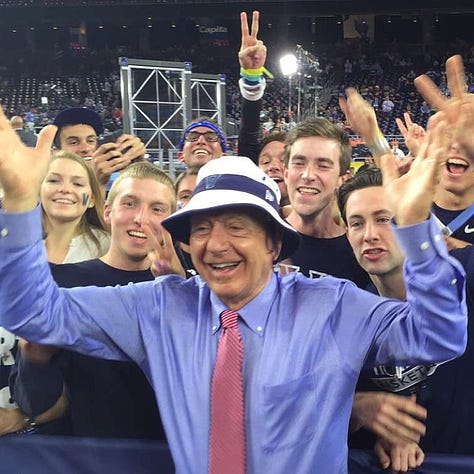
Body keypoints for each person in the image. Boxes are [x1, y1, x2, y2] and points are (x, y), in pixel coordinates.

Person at [0, 84, 467, 474]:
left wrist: (417, 228)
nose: (215, 244)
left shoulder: (334, 305)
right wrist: (19, 207)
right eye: (200, 228)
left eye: (236, 227)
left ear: (273, 244)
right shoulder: (159, 307)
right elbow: (35, 313)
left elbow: (439, 337)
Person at [10, 161, 178, 440]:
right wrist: (34, 357)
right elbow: (35, 403)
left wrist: (179, 293)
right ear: (108, 211)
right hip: (92, 458)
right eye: (130, 203)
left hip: (173, 460)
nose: (141, 219)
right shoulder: (60, 285)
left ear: (172, 220)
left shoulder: (189, 290)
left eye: (157, 209)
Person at [281, 117, 370, 286]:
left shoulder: (360, 254)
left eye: (323, 165)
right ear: (286, 173)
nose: (307, 175)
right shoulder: (262, 240)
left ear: (342, 179)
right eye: (299, 163)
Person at [53, 107, 146, 195]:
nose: (86, 148)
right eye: (73, 142)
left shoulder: (115, 180)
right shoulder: (47, 187)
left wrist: (140, 166)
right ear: (55, 152)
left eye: (90, 141)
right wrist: (98, 184)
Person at [41, 151, 109, 264]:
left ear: (92, 199)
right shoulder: (17, 243)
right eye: (54, 181)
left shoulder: (106, 245)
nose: (65, 189)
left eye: (77, 184)